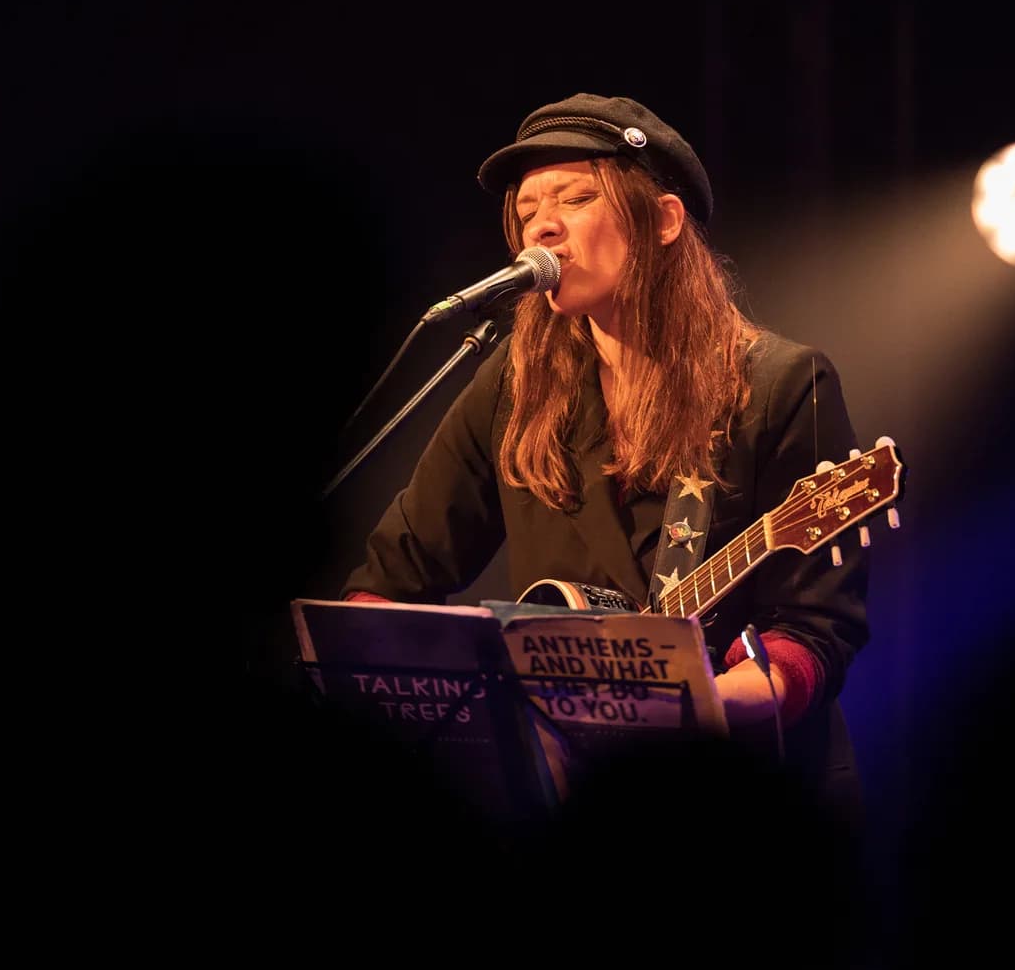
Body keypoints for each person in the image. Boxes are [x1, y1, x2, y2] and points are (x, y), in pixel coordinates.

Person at [339, 92, 880, 830]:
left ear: (661, 220)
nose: (544, 224)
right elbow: (388, 583)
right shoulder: (511, 382)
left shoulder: (778, 384)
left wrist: (702, 703)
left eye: (576, 196)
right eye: (528, 209)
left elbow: (816, 633)